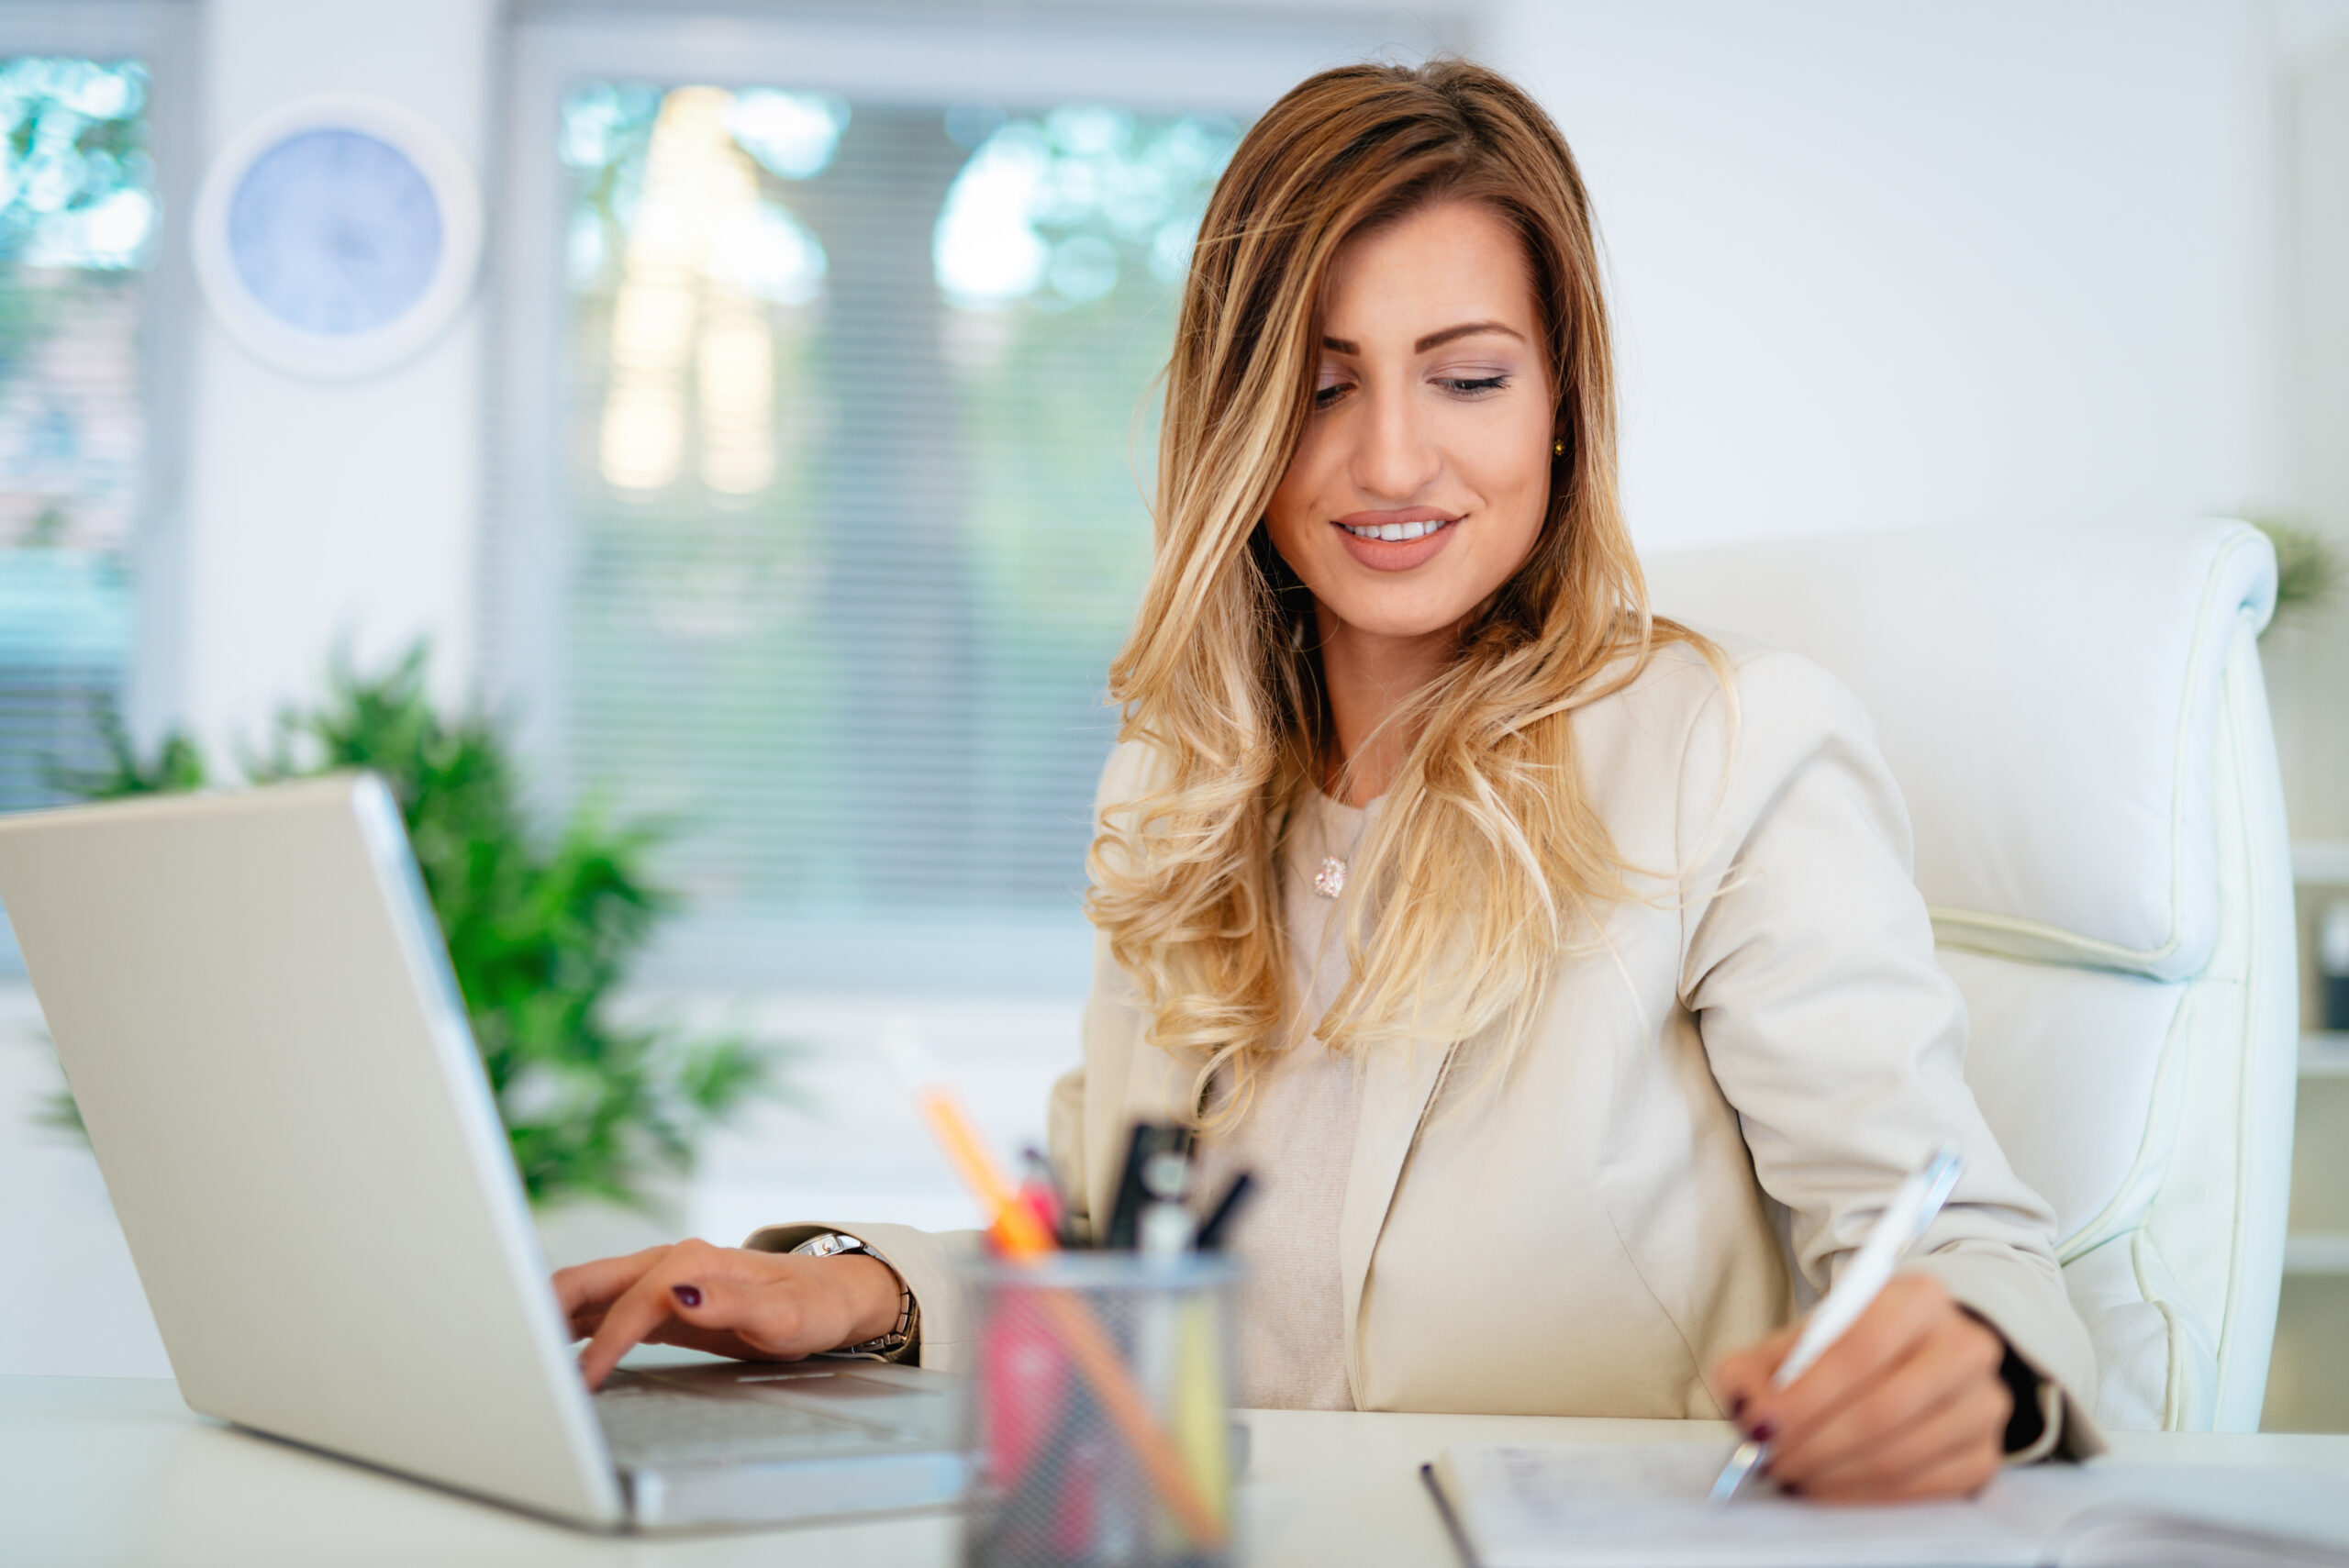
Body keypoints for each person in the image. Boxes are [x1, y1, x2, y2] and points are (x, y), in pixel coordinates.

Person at [553, 58, 2100, 1502]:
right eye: (1322, 383)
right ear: (1241, 419)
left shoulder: (1729, 746)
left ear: (1563, 412)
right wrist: (855, 1291)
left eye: (1469, 378)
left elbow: (1954, 1233)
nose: (1393, 461)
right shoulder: (1182, 778)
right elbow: (1129, 1255)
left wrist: (1962, 1358)